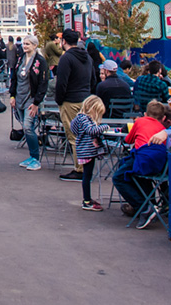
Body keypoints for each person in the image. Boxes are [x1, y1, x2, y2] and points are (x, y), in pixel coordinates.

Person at [113, 100, 171, 219]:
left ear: (145, 114)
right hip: (159, 164)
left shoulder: (140, 121)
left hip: (142, 159)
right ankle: (151, 205)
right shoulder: (163, 129)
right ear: (163, 118)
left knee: (118, 178)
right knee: (139, 176)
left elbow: (128, 140)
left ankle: (144, 206)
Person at [53, 28, 95, 181]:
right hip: (85, 99)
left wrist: (59, 100)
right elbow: (93, 80)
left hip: (70, 100)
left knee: (74, 136)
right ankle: (87, 166)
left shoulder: (66, 58)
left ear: (64, 41)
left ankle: (80, 169)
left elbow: (61, 83)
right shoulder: (88, 57)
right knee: (85, 135)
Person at [69, 95, 117, 210]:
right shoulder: (85, 119)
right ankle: (86, 200)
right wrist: (104, 127)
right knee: (87, 176)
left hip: (85, 150)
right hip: (87, 151)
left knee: (87, 175)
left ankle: (87, 198)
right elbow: (91, 131)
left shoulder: (79, 119)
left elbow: (74, 129)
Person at [10, 37, 49, 170]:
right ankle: (31, 156)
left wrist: (37, 102)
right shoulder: (20, 59)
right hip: (19, 97)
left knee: (28, 127)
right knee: (25, 126)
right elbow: (13, 77)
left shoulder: (40, 61)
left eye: (28, 44)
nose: (25, 46)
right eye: (24, 44)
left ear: (35, 45)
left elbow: (43, 83)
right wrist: (12, 95)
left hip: (31, 99)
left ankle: (36, 158)